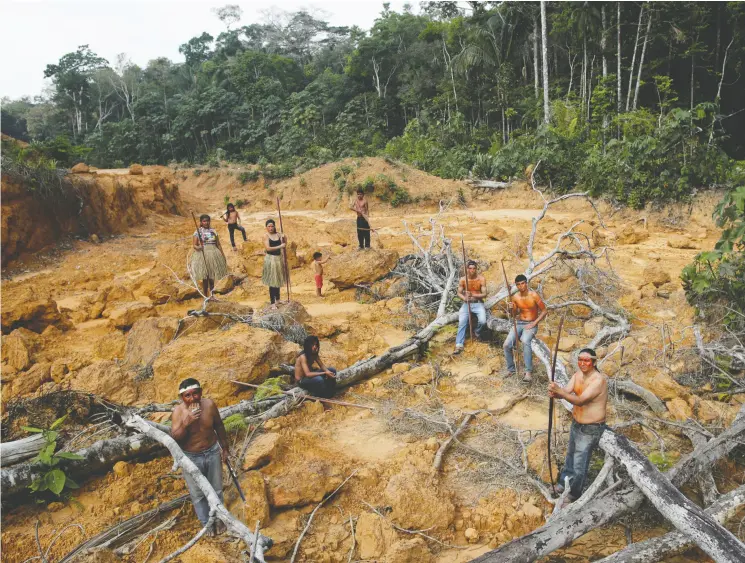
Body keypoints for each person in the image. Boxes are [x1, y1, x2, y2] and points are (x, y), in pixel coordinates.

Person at [171, 378, 231, 535]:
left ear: (201, 392)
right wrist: (186, 423)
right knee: (198, 493)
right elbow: (175, 438)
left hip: (212, 452)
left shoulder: (209, 405)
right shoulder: (178, 412)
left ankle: (220, 519)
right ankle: (206, 524)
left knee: (216, 488)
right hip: (191, 457)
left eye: (195, 394)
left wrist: (225, 448)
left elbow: (219, 425)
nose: (192, 398)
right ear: (182, 398)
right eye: (187, 396)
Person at [548, 348, 608, 505]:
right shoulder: (577, 375)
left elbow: (580, 400)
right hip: (576, 424)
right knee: (570, 457)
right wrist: (555, 391)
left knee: (579, 464)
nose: (582, 363)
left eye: (586, 360)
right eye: (580, 359)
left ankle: (574, 494)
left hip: (591, 428)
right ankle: (563, 484)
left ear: (594, 362)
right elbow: (567, 390)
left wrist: (560, 393)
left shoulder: (598, 380)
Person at [503, 274, 547, 382]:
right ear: (516, 286)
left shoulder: (534, 295)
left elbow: (545, 311)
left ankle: (528, 372)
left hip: (531, 323)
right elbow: (513, 314)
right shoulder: (515, 297)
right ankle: (511, 369)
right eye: (518, 284)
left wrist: (534, 323)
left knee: (525, 340)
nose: (521, 286)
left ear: (526, 283)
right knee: (506, 345)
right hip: (519, 323)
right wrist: (511, 308)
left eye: (522, 283)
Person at [453, 260, 487, 355]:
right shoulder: (463, 280)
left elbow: (484, 294)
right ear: (467, 269)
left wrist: (473, 295)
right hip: (466, 304)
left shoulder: (481, 279)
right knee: (462, 322)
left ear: (476, 269)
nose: (472, 270)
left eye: (474, 268)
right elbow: (459, 292)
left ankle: (477, 332)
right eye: (470, 268)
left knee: (483, 321)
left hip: (478, 303)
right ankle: (459, 345)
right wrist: (464, 298)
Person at [190, 214, 228, 299]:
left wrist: (223, 255)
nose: (206, 222)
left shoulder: (213, 231)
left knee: (212, 276)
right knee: (205, 276)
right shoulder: (197, 232)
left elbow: (218, 244)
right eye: (204, 221)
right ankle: (205, 296)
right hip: (203, 254)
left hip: (214, 253)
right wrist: (199, 247)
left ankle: (211, 295)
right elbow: (194, 245)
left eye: (207, 221)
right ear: (201, 222)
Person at [262, 219, 287, 306]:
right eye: (269, 226)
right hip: (271, 259)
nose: (271, 228)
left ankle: (278, 299)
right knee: (272, 281)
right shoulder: (266, 236)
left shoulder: (278, 235)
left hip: (278, 259)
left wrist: (284, 237)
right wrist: (280, 246)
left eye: (272, 226)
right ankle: (272, 302)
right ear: (266, 227)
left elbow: (285, 244)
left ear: (274, 226)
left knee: (277, 279)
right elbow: (268, 248)